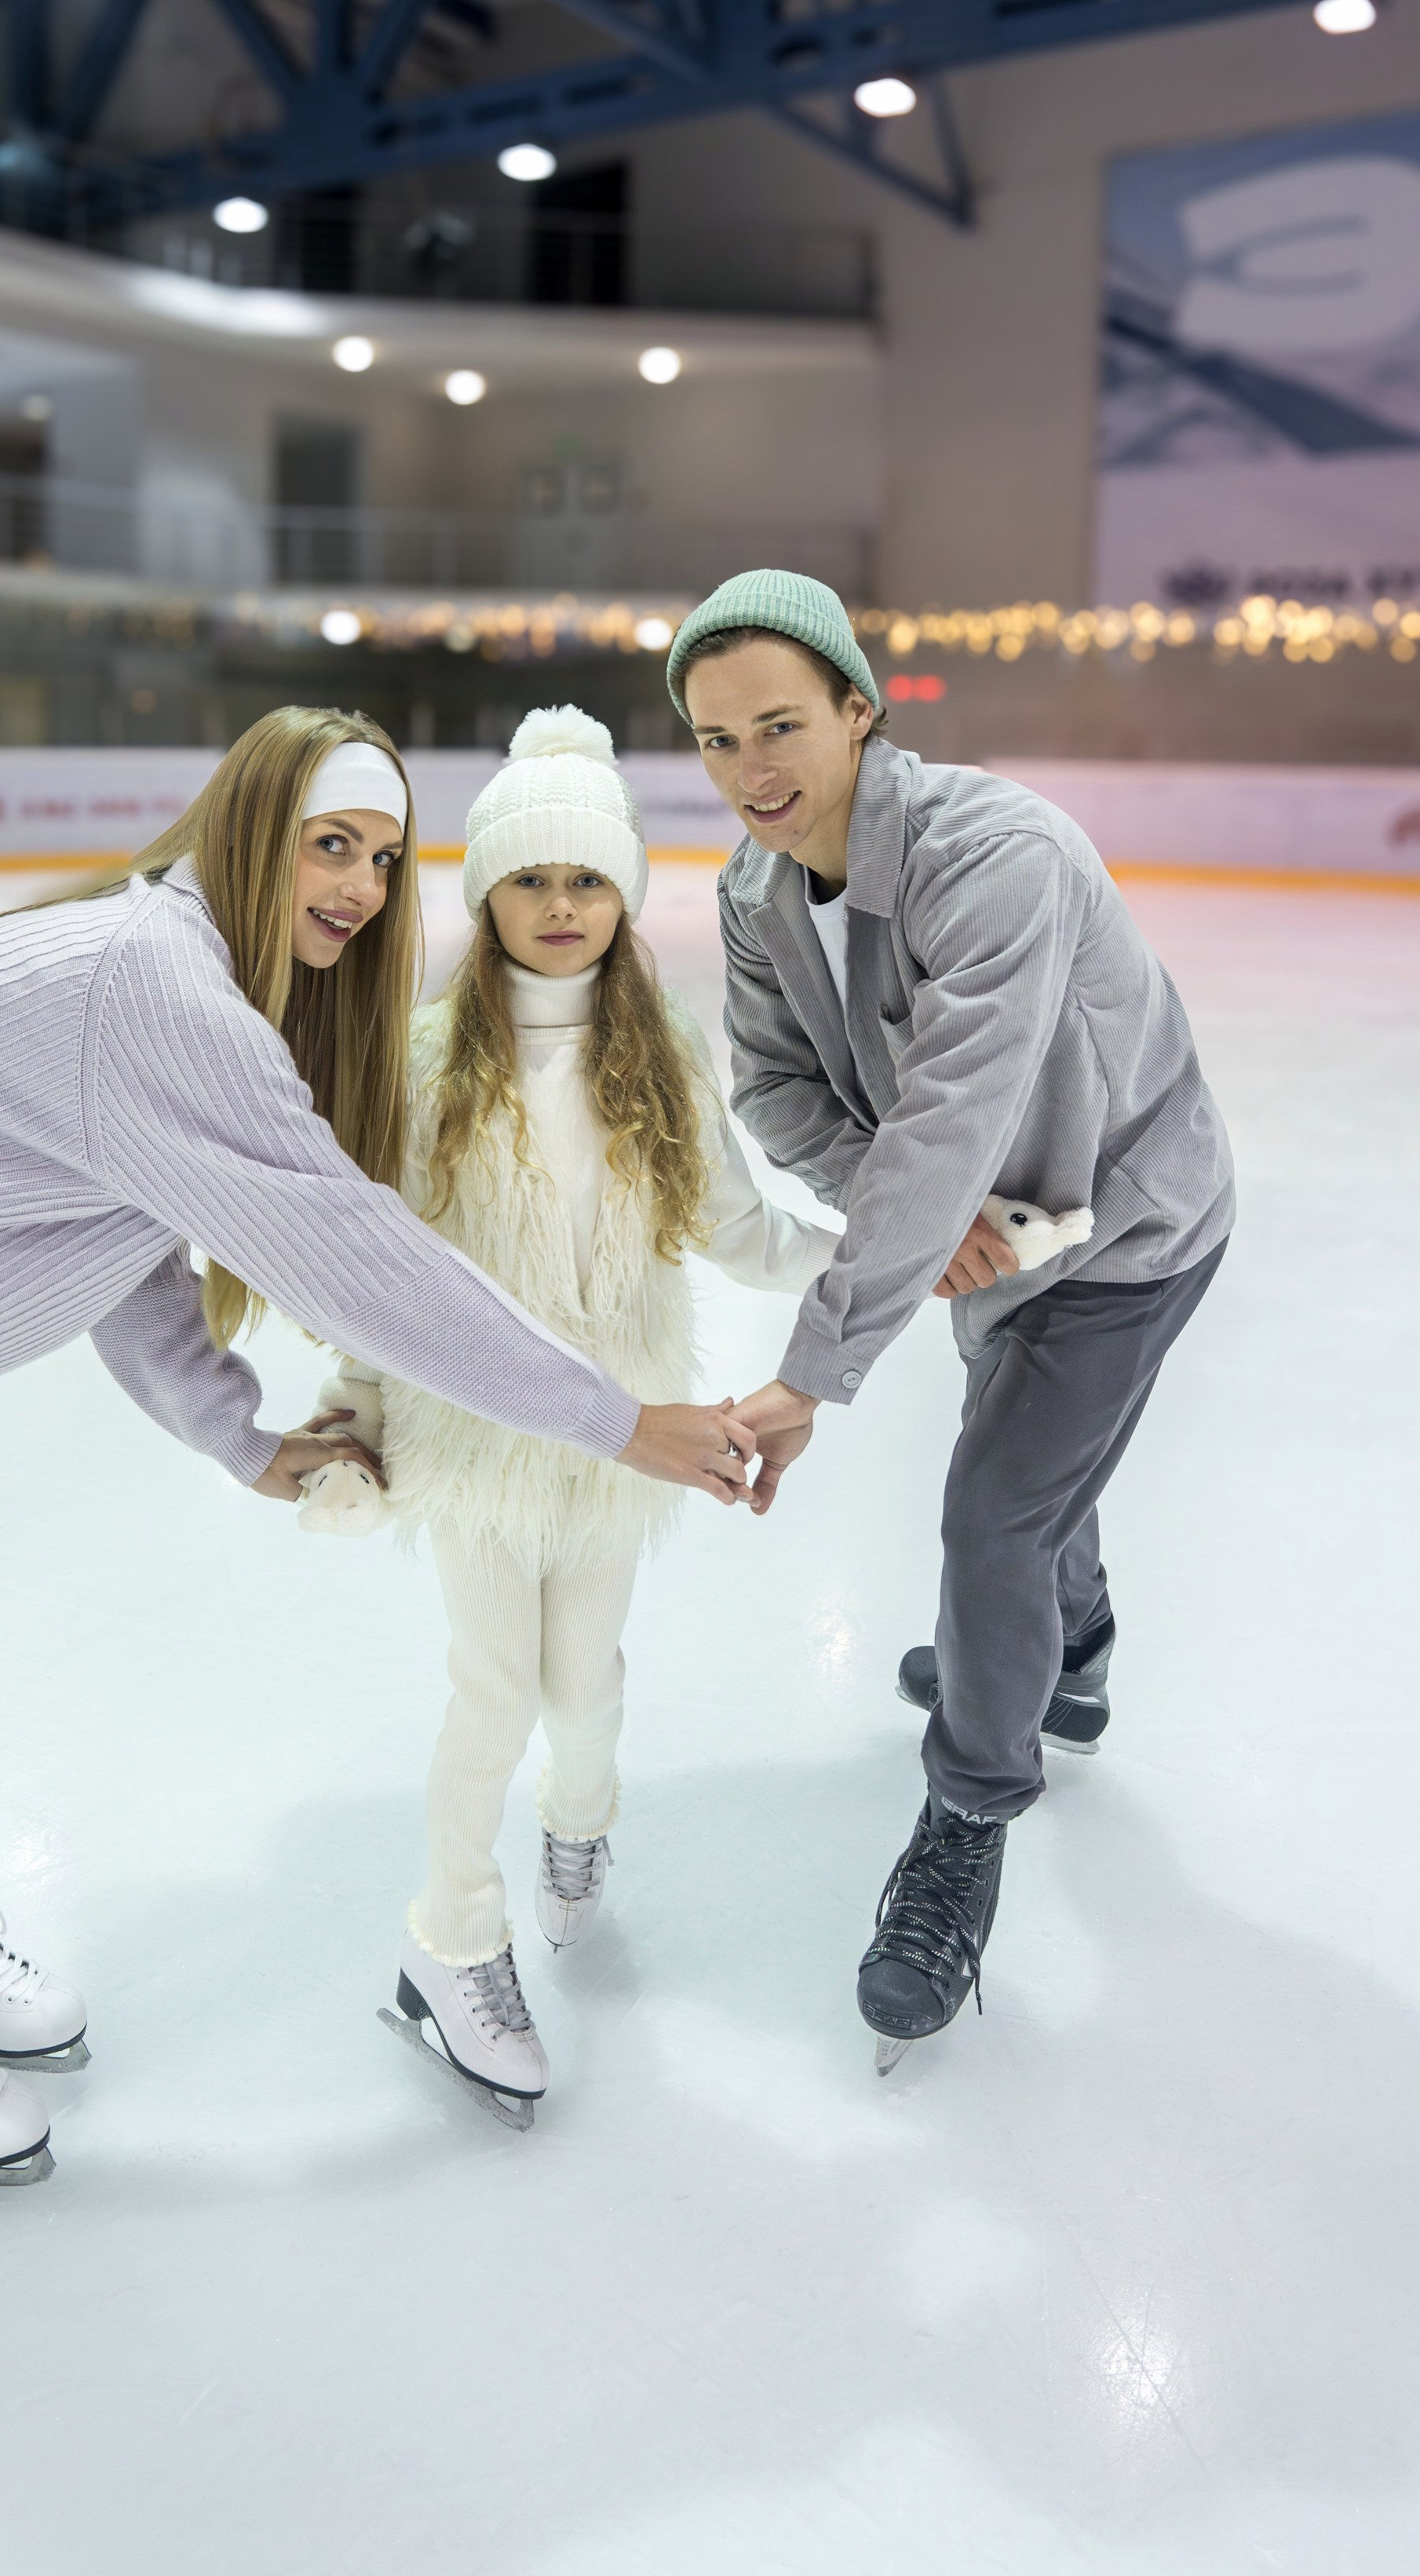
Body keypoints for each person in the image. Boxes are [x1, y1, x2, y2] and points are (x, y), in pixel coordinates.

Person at [0, 706, 757, 2184]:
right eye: (329, 843)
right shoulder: (160, 990)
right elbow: (362, 1259)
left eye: (386, 859)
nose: (357, 884)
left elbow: (123, 1239)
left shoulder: (188, 975)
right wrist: (617, 1417)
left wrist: (237, 1436)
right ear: (247, 828)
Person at [668, 573, 1236, 2068]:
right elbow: (783, 1092)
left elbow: (950, 1115)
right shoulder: (753, 895)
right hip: (990, 1249)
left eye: (781, 725)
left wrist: (812, 1373)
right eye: (716, 742)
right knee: (1029, 1468)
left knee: (993, 1517)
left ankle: (967, 1820)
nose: (752, 772)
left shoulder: (1002, 857)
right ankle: (1076, 1653)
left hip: (1123, 1231)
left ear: (862, 710)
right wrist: (944, 1237)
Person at [319, 710, 836, 2119]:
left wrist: (882, 1253)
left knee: (583, 1689)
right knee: (490, 1690)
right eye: (534, 881)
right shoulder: (425, 1063)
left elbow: (738, 1226)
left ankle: (581, 1825)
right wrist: (353, 1414)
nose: (562, 909)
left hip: (624, 1438)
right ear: (486, 894)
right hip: (472, 1439)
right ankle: (452, 1937)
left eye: (590, 881)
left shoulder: (659, 1050)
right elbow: (372, 1266)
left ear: (625, 892)